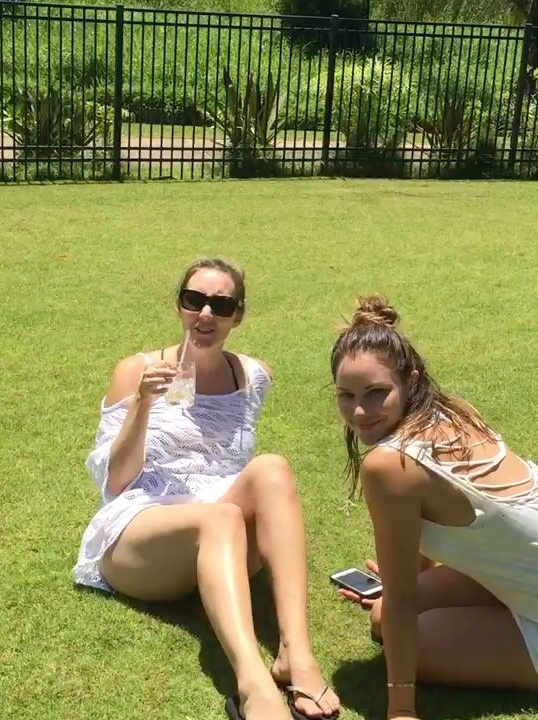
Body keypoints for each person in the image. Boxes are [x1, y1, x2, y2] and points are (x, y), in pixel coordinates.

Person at [329, 295, 538, 720]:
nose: (359, 411)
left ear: (410, 381)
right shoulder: (447, 415)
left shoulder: (387, 466)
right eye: (345, 395)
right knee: (387, 612)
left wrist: (401, 709)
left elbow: (402, 597)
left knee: (391, 624)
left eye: (376, 393)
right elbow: (421, 529)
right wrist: (409, 579)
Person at [73, 258, 339, 720]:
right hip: (141, 528)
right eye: (194, 300)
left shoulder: (253, 376)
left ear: (238, 315)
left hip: (220, 526)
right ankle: (254, 687)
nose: (206, 314)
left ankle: (296, 655)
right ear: (180, 306)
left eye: (221, 305)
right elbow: (115, 483)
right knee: (222, 516)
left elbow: (227, 472)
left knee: (272, 468)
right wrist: (142, 403)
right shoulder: (136, 369)